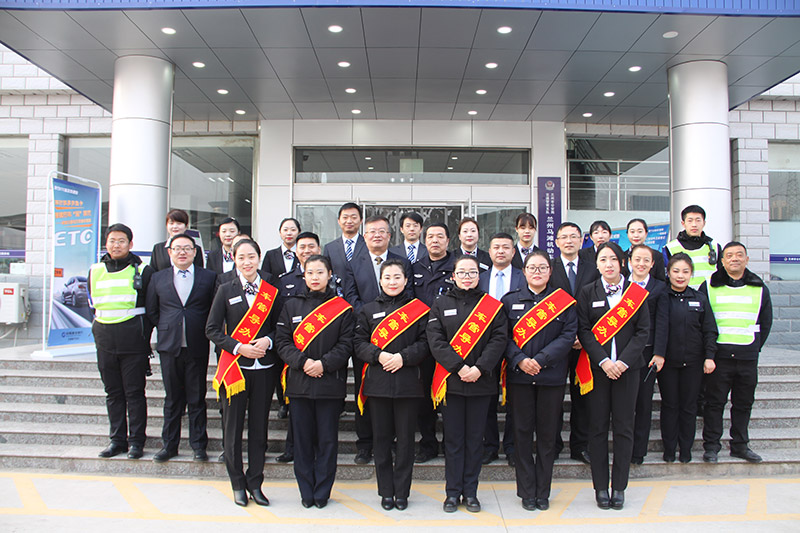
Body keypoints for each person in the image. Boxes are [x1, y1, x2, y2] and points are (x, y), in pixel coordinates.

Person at [427, 255, 508, 513]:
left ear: (479, 275)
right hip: (451, 382)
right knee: (453, 440)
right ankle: (452, 493)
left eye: (472, 272)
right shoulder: (440, 303)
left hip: (481, 383)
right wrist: (459, 367)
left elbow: (499, 340)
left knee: (475, 441)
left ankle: (471, 493)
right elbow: (436, 340)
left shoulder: (492, 306)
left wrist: (479, 368)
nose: (467, 277)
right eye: (462, 272)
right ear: (453, 276)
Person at [276, 254, 355, 509]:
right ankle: (305, 491)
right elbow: (282, 342)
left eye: (320, 272)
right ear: (304, 275)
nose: (315, 277)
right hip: (299, 384)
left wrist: (323, 364)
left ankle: (322, 492)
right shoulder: (291, 306)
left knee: (327, 442)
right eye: (310, 273)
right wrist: (303, 362)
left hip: (329, 385)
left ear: (330, 274)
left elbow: (346, 345)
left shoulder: (342, 308)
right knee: (302, 442)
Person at [501, 249, 577, 511]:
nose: (537, 272)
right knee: (522, 435)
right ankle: (526, 491)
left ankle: (543, 491)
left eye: (542, 268)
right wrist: (520, 359)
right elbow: (503, 337)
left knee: (547, 436)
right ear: (524, 272)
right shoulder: (510, 301)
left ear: (550, 271)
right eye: (532, 268)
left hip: (551, 378)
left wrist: (542, 359)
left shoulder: (563, 301)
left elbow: (568, 336)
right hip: (520, 377)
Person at [576, 242, 650, 511]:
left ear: (622, 263)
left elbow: (643, 332)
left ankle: (619, 487)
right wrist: (604, 361)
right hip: (598, 370)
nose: (608, 264)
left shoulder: (636, 293)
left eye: (613, 259)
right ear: (596, 264)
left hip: (628, 370)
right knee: (597, 428)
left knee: (624, 428)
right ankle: (600, 487)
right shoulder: (587, 292)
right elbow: (584, 331)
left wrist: (623, 362)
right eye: (603, 259)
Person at [206, 239, 279, 507]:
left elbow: (281, 327)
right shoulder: (225, 289)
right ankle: (237, 483)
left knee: (260, 430)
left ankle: (255, 482)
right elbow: (212, 329)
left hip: (265, 369)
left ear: (259, 258)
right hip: (234, 369)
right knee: (233, 430)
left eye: (251, 257)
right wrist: (239, 347)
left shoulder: (272, 290)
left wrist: (268, 341)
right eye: (241, 258)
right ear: (234, 260)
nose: (247, 262)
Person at [354, 258, 430, 511]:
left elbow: (425, 343)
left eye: (397, 277)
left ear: (406, 280)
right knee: (382, 440)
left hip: (408, 383)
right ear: (380, 280)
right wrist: (379, 355)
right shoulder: (368, 310)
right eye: (387, 277)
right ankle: (386, 491)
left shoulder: (419, 310)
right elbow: (359, 343)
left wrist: (403, 358)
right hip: (378, 384)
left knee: (406, 442)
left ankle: (402, 492)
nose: (392, 282)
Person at [342, 215, 411, 464]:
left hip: (399, 337)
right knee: (365, 390)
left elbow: (409, 295)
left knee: (393, 394)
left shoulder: (402, 262)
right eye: (372, 232)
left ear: (390, 235)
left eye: (382, 231)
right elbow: (350, 296)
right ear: (365, 236)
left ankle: (389, 441)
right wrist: (372, 318)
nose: (377, 235)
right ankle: (365, 444)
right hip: (366, 337)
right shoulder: (353, 263)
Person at [146, 233, 216, 463]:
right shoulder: (158, 278)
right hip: (169, 346)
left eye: (187, 248)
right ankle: (169, 446)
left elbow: (213, 309)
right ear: (169, 252)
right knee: (172, 398)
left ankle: (198, 446)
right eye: (177, 248)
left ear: (195, 252)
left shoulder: (208, 277)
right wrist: (167, 327)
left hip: (197, 345)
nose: (182, 252)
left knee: (197, 398)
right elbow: (152, 311)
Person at [700, 242, 772, 464]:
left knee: (743, 403)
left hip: (747, 355)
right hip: (719, 356)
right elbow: (702, 321)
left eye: (739, 255)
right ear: (722, 261)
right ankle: (711, 446)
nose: (734, 259)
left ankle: (740, 445)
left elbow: (765, 321)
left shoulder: (759, 288)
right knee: (714, 403)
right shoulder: (709, 286)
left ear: (747, 259)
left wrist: (754, 347)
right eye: (729, 255)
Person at [88, 223, 153, 460]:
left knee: (134, 393)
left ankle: (136, 442)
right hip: (105, 339)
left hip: (133, 340)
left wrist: (145, 339)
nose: (116, 245)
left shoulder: (143, 270)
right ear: (106, 243)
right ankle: (117, 440)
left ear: (130, 244)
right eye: (112, 241)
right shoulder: (95, 270)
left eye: (121, 241)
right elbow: (92, 304)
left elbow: (150, 309)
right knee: (113, 392)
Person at [655, 253, 717, 463]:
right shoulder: (661, 297)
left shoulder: (699, 298)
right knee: (670, 405)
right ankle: (669, 450)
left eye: (685, 271)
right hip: (667, 363)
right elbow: (658, 329)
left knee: (689, 406)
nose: (680, 276)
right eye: (676, 271)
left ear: (691, 274)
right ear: (668, 273)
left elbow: (709, 330)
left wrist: (709, 356)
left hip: (693, 363)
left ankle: (686, 450)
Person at [549, 222, 599, 464]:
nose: (569, 241)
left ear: (581, 240)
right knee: (554, 398)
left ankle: (580, 446)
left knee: (583, 398)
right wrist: (566, 337)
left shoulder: (593, 268)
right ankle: (553, 445)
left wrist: (582, 335)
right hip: (556, 343)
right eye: (564, 237)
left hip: (585, 343)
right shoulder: (548, 268)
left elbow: (598, 306)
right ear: (556, 242)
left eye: (573, 237)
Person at [274, 232, 324, 463]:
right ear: (295, 251)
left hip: (323, 355)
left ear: (319, 250)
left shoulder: (332, 279)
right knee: (297, 408)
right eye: (302, 247)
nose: (306, 251)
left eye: (311, 246)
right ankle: (292, 447)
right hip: (295, 354)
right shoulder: (285, 280)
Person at [478, 232, 525, 466]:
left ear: (513, 252)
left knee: (516, 400)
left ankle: (513, 447)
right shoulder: (479, 279)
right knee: (487, 399)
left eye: (506, 247)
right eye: (496, 247)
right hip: (485, 348)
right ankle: (489, 446)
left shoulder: (523, 277)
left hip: (517, 346)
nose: (501, 251)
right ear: (489, 252)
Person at [412, 223, 456, 464]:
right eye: (430, 236)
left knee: (450, 396)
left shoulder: (457, 267)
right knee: (424, 398)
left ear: (448, 241)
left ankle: (451, 444)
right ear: (424, 240)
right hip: (422, 343)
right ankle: (428, 444)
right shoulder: (415, 267)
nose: (435, 240)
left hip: (452, 343)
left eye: (440, 236)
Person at [627, 244, 669, 465]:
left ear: (653, 264)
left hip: (647, 352)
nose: (641, 264)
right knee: (624, 402)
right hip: (622, 352)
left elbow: (662, 322)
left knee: (643, 402)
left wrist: (659, 352)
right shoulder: (620, 285)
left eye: (646, 260)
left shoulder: (659, 288)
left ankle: (638, 451)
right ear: (629, 262)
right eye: (637, 259)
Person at [663, 205, 722, 290]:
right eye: (690, 221)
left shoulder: (715, 246)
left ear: (704, 223)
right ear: (683, 223)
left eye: (698, 220)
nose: (694, 225)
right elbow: (666, 278)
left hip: (710, 295)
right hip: (683, 296)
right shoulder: (670, 248)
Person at [323, 202, 367, 280]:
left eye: (354, 217)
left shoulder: (369, 245)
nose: (349, 221)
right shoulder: (330, 248)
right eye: (345, 217)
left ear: (361, 221)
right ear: (339, 221)